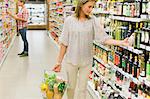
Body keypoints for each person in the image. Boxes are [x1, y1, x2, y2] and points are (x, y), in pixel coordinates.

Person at [53, 0, 129, 99]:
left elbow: (104, 38)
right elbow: (64, 43)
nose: (91, 9)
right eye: (89, 6)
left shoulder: (93, 20)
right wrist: (59, 62)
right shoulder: (69, 21)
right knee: (71, 87)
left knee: (82, 89)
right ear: (81, 5)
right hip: (71, 60)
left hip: (86, 61)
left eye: (93, 7)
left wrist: (121, 42)